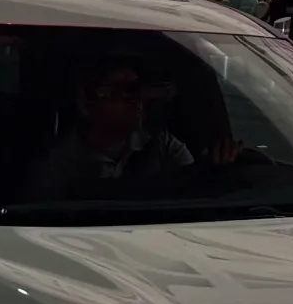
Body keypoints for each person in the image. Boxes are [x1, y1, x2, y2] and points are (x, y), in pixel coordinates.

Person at [24, 62, 205, 201]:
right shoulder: (57, 164)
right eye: (123, 91)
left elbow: (193, 189)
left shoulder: (162, 146)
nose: (137, 100)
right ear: (85, 104)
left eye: (136, 89)